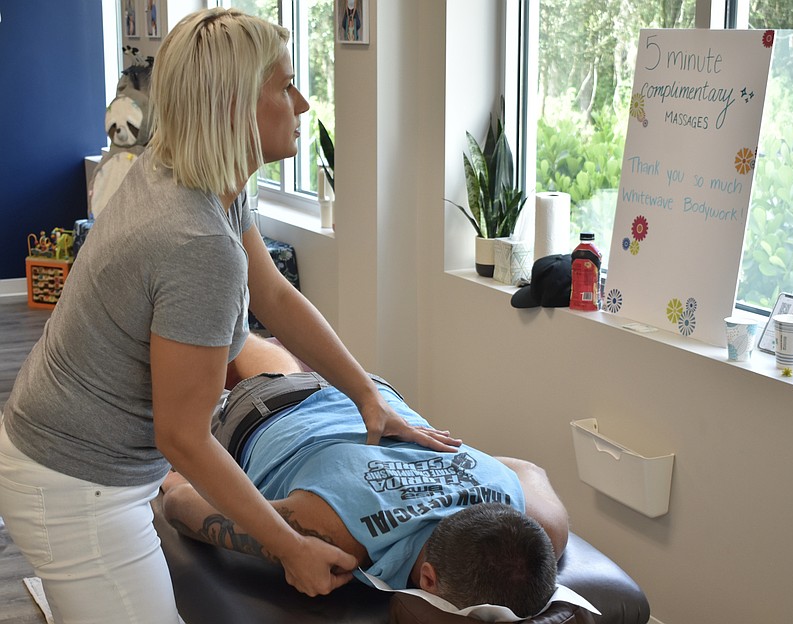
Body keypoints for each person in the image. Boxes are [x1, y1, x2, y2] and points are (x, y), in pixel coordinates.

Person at [0, 8, 458, 623]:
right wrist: (289, 546)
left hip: (87, 459)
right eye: (285, 86)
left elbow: (275, 297)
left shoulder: (202, 176)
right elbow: (184, 437)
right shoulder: (194, 242)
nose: (301, 102)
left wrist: (368, 400)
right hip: (76, 484)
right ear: (237, 107)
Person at [160, 334, 569, 618]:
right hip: (263, 416)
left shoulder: (540, 522)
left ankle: (237, 329)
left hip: (367, 396)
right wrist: (174, 476)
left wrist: (426, 475)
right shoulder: (332, 536)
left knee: (264, 359)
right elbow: (179, 504)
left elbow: (528, 470)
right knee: (173, 372)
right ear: (429, 579)